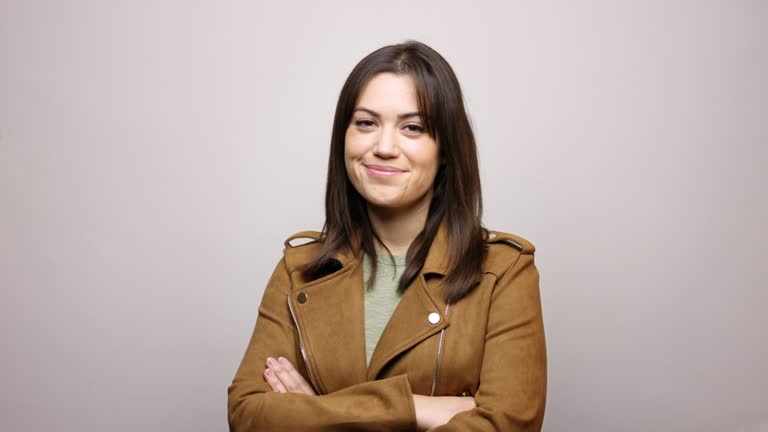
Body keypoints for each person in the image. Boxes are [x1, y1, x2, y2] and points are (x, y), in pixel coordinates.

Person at [227, 40, 547, 431]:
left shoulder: (504, 271)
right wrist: (415, 408)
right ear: (343, 136)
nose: (383, 147)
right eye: (366, 123)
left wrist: (319, 411)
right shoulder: (299, 270)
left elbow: (507, 426)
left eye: (413, 128)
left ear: (445, 148)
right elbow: (248, 417)